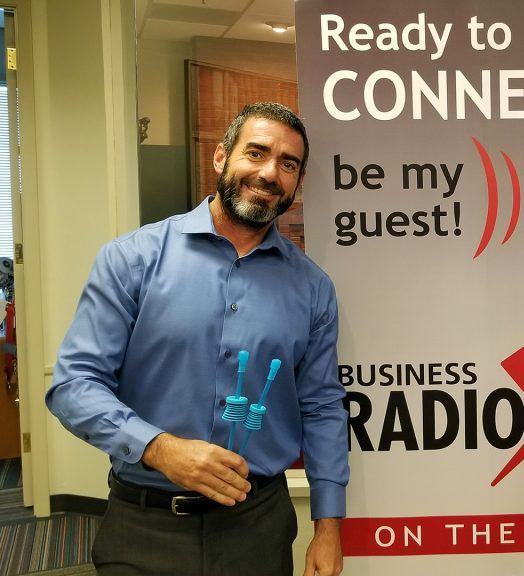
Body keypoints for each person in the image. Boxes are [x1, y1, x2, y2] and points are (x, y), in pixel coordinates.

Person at [47, 102, 348, 576]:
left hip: (258, 527)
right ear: (221, 157)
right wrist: (159, 448)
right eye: (256, 152)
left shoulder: (312, 288)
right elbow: (73, 386)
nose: (269, 173)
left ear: (298, 181)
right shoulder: (132, 260)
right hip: (145, 526)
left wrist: (328, 526)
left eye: (288, 164)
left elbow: (322, 405)